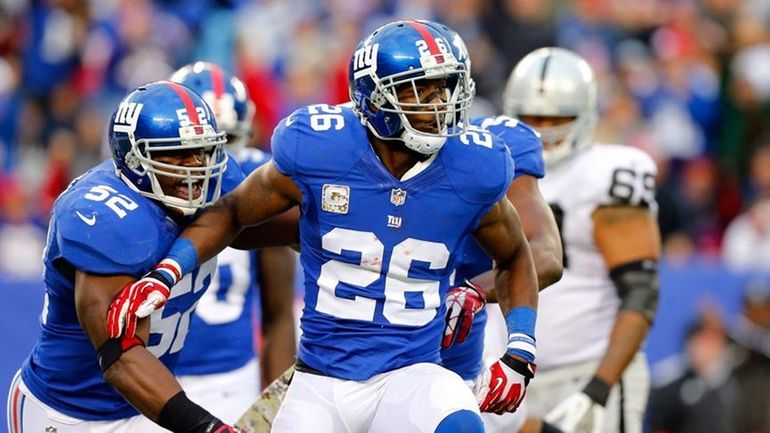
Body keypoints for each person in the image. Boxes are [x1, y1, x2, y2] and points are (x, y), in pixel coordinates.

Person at [107, 19, 540, 433]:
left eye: (444, 88)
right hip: (322, 380)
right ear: (375, 97)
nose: (437, 105)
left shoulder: (474, 166)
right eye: (419, 91)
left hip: (413, 373)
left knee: (460, 423)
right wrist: (170, 271)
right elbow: (232, 212)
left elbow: (518, 254)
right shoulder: (321, 149)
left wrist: (519, 349)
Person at [6, 81, 246, 432]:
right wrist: (209, 428)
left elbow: (248, 214)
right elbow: (120, 356)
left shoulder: (208, 185)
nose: (196, 166)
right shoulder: (104, 217)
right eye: (178, 153)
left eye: (202, 151)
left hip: (143, 407)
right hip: (68, 413)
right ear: (136, 160)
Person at [504, 47, 661, 433]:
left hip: (585, 371)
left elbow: (642, 291)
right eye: (531, 116)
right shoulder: (495, 171)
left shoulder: (607, 173)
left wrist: (600, 385)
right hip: (511, 376)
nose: (543, 128)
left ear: (585, 115)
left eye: (558, 117)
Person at [168, 62, 297, 423]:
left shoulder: (261, 187)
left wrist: (278, 408)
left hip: (229, 378)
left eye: (225, 142)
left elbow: (277, 312)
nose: (210, 160)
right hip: (156, 370)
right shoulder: (150, 186)